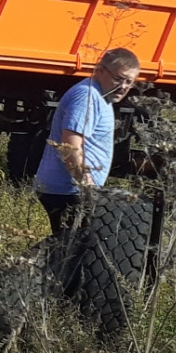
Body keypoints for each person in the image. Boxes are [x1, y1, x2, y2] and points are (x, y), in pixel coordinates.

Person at [33, 47, 141, 234]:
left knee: (73, 250)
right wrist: (87, 187)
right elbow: (70, 146)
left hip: (73, 191)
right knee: (75, 252)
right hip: (68, 191)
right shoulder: (87, 97)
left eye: (129, 82)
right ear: (99, 70)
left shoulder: (102, 97)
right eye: (118, 78)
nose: (123, 87)